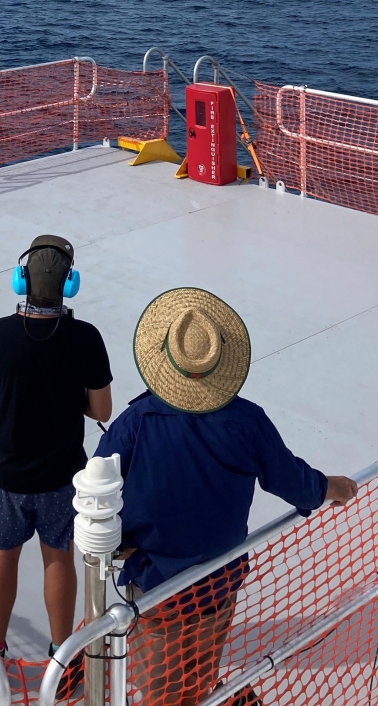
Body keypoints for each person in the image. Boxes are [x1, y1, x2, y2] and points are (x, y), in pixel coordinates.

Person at [94, 287, 359, 706]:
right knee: (199, 676)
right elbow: (291, 481)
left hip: (155, 583)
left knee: (158, 691)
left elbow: (97, 492)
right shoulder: (247, 422)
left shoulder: (134, 422)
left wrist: (117, 539)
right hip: (217, 583)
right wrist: (333, 487)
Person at [0, 234, 113, 697]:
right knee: (57, 558)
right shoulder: (86, 338)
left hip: (5, 476)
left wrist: (0, 393)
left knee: (2, 556)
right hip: (62, 477)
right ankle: (62, 661)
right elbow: (101, 410)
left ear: (20, 280)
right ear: (70, 285)